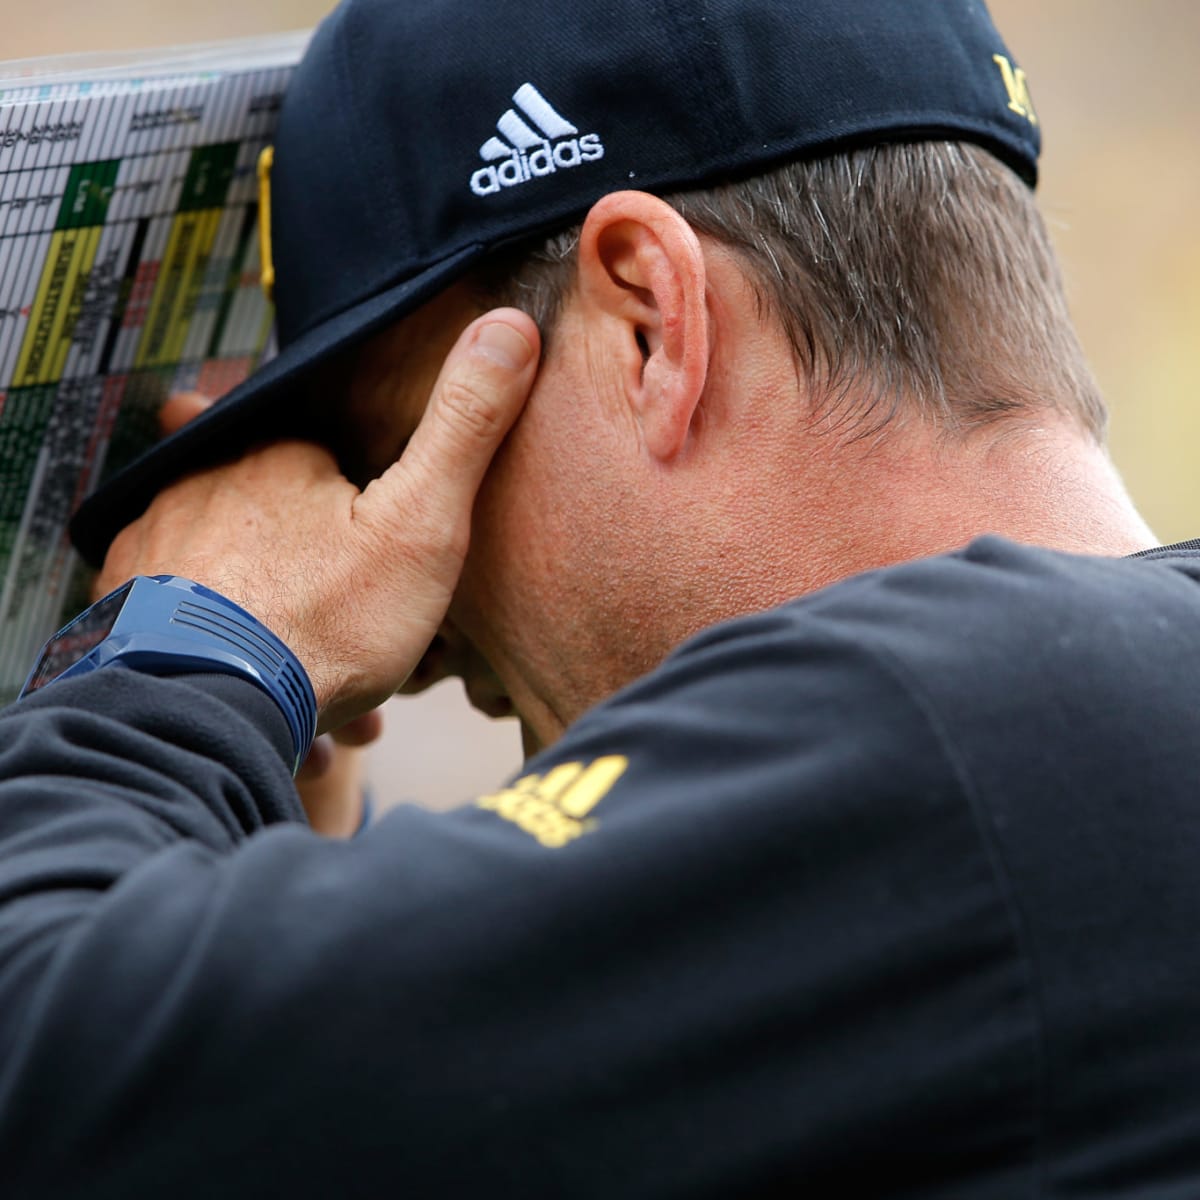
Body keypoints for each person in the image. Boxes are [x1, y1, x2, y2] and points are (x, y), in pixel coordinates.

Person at [2, 0, 1200, 1195]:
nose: (417, 635)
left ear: (649, 323)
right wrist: (295, 867)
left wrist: (189, 650)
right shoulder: (1048, 792)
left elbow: (43, 1085)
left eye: (398, 456)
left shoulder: (958, 723)